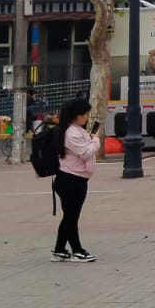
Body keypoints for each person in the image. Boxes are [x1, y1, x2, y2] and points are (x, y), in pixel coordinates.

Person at [53, 97, 97, 262]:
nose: (87, 117)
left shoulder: (76, 130)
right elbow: (85, 153)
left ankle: (59, 249)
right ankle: (77, 250)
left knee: (69, 215)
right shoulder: (71, 132)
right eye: (86, 114)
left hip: (77, 179)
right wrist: (97, 141)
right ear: (77, 115)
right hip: (70, 179)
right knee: (72, 216)